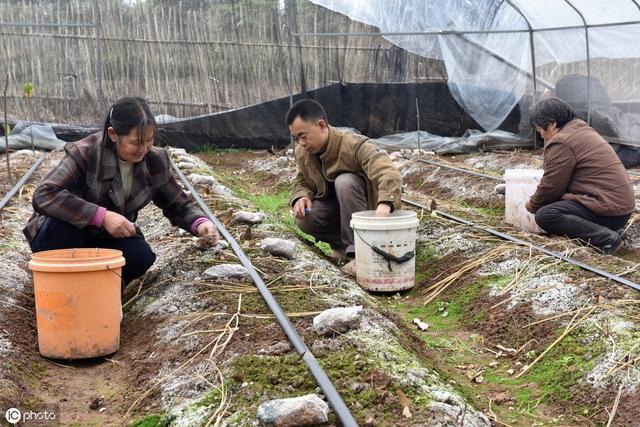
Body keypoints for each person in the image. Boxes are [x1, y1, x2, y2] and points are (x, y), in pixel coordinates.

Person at [23, 97, 219, 285]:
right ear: (113, 134)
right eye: (135, 142)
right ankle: (59, 284)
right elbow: (45, 193)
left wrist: (199, 223)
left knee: (140, 256)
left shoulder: (155, 160)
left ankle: (99, 288)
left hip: (101, 238)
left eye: (149, 140)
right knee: (65, 228)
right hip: (61, 237)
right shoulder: (87, 153)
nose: (143, 149)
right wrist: (101, 216)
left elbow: (177, 204)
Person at [286, 99, 402, 274]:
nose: (301, 143)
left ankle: (361, 254)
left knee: (345, 181)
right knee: (305, 219)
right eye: (296, 138)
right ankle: (343, 248)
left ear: (322, 125)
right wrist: (301, 196)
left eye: (303, 136)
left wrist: (384, 205)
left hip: (368, 215)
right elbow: (302, 178)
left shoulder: (353, 145)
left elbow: (388, 171)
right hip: (338, 214)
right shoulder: (303, 153)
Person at [525, 97, 635, 254]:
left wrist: (531, 205)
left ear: (553, 123)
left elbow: (551, 187)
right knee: (552, 206)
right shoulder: (581, 130)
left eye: (540, 129)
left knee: (546, 215)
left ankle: (607, 239)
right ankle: (603, 232)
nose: (541, 134)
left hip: (609, 209)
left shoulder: (563, 142)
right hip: (619, 206)